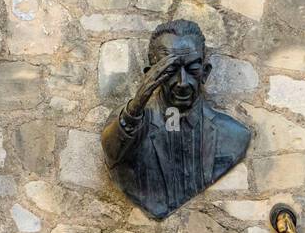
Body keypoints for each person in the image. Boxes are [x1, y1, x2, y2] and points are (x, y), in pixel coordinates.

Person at [101, 18, 251, 219]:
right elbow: (112, 151)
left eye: (192, 69)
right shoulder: (131, 123)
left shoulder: (233, 136)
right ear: (150, 76)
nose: (182, 82)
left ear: (204, 73)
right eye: (170, 70)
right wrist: (137, 103)